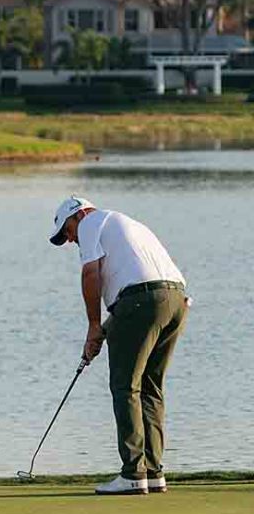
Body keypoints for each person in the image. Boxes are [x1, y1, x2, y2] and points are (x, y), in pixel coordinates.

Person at [48, 196, 189, 496]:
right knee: (150, 387)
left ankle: (133, 474)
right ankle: (153, 472)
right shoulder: (127, 223)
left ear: (79, 214)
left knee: (125, 386)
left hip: (141, 301)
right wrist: (104, 330)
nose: (70, 239)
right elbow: (143, 287)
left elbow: (91, 273)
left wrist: (93, 326)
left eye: (67, 231)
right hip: (176, 301)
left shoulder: (90, 222)